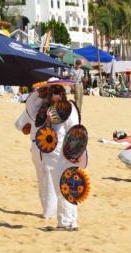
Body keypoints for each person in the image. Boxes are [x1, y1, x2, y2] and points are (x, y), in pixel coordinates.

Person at [40, 84, 87, 231]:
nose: (49, 96)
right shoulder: (54, 110)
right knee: (66, 187)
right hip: (58, 154)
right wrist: (48, 120)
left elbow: (75, 131)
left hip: (63, 155)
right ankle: (71, 221)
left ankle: (66, 222)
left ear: (60, 95)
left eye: (52, 93)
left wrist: (75, 154)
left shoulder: (69, 109)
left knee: (63, 188)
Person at [15, 86, 58, 219]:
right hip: (48, 146)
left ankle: (48, 209)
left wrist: (27, 128)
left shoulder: (33, 106)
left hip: (36, 146)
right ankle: (49, 210)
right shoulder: (56, 109)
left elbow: (19, 125)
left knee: (42, 178)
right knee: (49, 179)